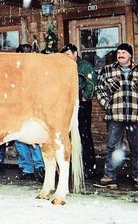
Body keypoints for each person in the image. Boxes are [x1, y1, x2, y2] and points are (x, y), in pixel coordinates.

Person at [94, 43, 138, 189]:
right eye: (119, 52)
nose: (121, 55)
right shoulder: (107, 70)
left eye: (124, 52)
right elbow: (99, 89)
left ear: (130, 55)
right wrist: (107, 105)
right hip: (115, 115)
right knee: (112, 146)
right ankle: (109, 176)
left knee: (137, 148)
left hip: (135, 116)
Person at [60, 43, 98, 178]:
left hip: (81, 104)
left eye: (68, 55)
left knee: (84, 134)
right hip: (67, 105)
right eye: (63, 55)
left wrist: (84, 98)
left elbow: (91, 83)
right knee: (68, 134)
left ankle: (89, 166)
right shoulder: (62, 67)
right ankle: (71, 166)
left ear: (75, 54)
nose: (66, 57)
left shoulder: (84, 66)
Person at [15, 44, 45, 182]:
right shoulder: (14, 70)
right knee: (19, 139)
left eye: (28, 53)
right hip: (17, 107)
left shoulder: (37, 69)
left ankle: (40, 167)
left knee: (36, 139)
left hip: (34, 108)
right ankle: (27, 168)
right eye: (23, 53)